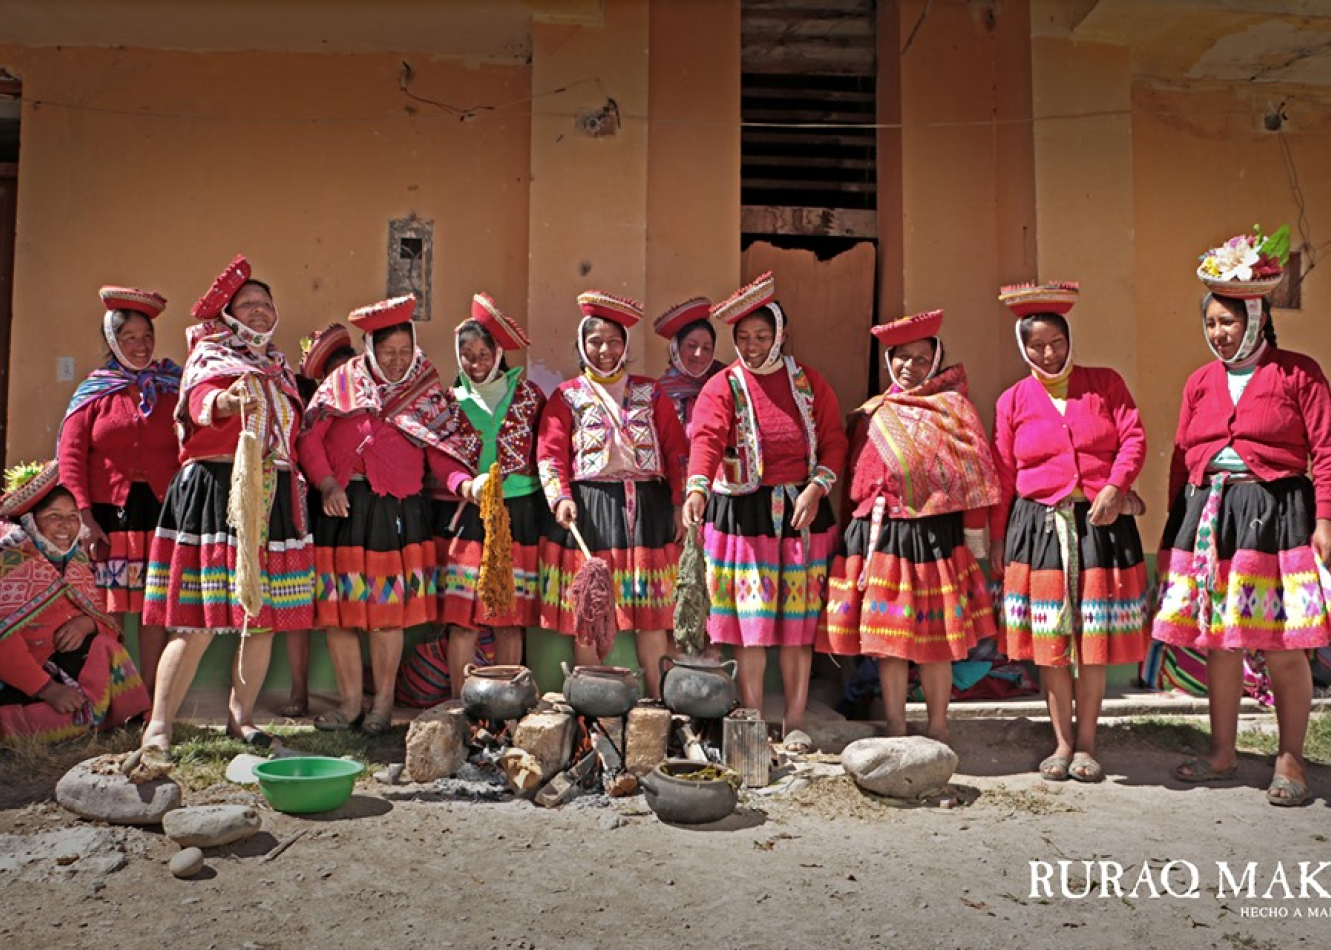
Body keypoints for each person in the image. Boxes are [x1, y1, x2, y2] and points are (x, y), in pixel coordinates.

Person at [1153, 228, 1331, 807]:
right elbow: (1182, 461)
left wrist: (1324, 521)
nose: (1218, 333)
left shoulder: (1298, 373)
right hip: (1210, 518)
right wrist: (1170, 536)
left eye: (1227, 322)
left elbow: (1326, 450)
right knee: (1219, 642)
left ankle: (1291, 760)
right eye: (1210, 324)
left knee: (1284, 643)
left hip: (1278, 514)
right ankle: (1223, 754)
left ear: (1255, 317)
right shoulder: (1199, 382)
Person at [139, 255, 315, 751]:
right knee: (195, 621)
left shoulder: (277, 366)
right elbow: (200, 404)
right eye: (248, 304)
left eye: (266, 303)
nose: (259, 311)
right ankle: (158, 726)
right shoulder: (212, 352)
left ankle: (242, 719)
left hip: (272, 495)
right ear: (230, 314)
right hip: (218, 491)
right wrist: (228, 404)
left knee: (261, 621)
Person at [989, 281, 1149, 783]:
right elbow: (1003, 475)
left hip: (1100, 527)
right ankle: (1059, 742)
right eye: (1037, 345)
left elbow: (1133, 438)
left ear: (1068, 340)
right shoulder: (1013, 400)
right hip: (1037, 531)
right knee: (1051, 639)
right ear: (1023, 347)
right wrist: (996, 539)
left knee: (1093, 637)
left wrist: (1115, 487)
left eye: (1056, 342)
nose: (1049, 352)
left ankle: (1087, 745)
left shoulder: (1104, 384)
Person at [817, 310, 1000, 744]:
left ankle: (938, 726)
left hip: (934, 538)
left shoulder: (955, 411)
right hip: (881, 539)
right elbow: (856, 482)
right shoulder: (871, 414)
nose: (909, 366)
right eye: (901, 357)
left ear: (935, 361)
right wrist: (850, 540)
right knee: (889, 642)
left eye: (920, 358)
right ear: (889, 361)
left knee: (938, 640)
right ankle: (896, 727)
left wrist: (975, 538)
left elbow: (975, 478)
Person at [682, 273, 847, 751]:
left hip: (803, 509)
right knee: (749, 624)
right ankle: (752, 718)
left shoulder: (808, 382)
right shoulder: (723, 385)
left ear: (781, 334)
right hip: (742, 513)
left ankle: (795, 720)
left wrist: (817, 488)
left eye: (762, 336)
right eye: (743, 338)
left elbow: (834, 439)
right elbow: (707, 439)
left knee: (797, 625)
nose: (753, 347)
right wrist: (696, 489)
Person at [300, 296, 453, 735]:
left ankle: (382, 704)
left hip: (397, 510)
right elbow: (310, 437)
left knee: (388, 613)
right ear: (369, 348)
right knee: (340, 611)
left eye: (405, 351)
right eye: (387, 352)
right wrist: (327, 482)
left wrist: (467, 485)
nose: (397, 360)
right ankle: (350, 705)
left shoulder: (424, 388)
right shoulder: (340, 384)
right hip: (343, 506)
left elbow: (440, 451)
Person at [537, 290, 687, 699]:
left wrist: (678, 504)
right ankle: (592, 701)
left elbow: (676, 452)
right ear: (581, 346)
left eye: (613, 342)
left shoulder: (650, 392)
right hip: (592, 509)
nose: (605, 350)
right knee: (592, 606)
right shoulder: (566, 396)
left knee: (653, 614)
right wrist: (560, 498)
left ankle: (659, 700)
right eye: (595, 342)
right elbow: (550, 454)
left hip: (650, 509)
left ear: (626, 347)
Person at [57, 286, 181, 697]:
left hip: (162, 511)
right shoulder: (96, 391)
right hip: (110, 513)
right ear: (112, 341)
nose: (140, 345)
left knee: (153, 606)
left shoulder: (171, 386)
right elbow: (71, 454)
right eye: (129, 337)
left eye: (147, 337)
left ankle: (148, 696)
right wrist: (84, 516)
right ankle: (111, 694)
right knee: (111, 605)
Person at [434, 293, 546, 691]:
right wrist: (466, 485)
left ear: (498, 352)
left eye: (483, 352)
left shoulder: (530, 396)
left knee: (509, 615)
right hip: (469, 514)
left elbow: (545, 451)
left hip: (520, 512)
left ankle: (507, 702)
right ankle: (459, 702)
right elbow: (439, 456)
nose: (475, 362)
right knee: (463, 616)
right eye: (466, 354)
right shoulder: (449, 402)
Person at [0, 460, 150, 741]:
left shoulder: (73, 561)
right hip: (17, 679)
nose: (66, 525)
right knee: (68, 719)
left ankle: (123, 717)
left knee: (106, 647)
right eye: (54, 515)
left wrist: (87, 624)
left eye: (72, 516)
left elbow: (106, 623)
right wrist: (48, 690)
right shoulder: (10, 561)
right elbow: (3, 641)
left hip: (55, 664)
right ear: (30, 520)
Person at [277, 321, 354, 719]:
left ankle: (355, 688)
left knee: (344, 600)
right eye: (333, 370)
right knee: (299, 599)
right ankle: (299, 688)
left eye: (349, 365)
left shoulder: (363, 399)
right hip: (298, 504)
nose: (343, 375)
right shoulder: (305, 402)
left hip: (335, 506)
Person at [653, 297, 723, 434]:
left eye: (707, 348)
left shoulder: (722, 385)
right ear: (676, 348)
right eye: (691, 346)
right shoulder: (659, 393)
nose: (699, 354)